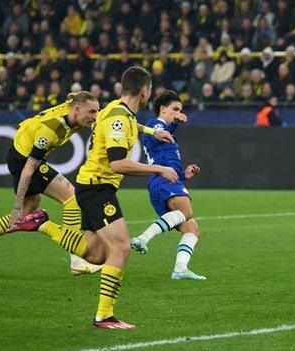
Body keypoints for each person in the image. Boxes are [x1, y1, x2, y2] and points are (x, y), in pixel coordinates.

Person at [66, 66, 177, 329]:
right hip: (98, 188)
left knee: (96, 254)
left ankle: (41, 224)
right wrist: (160, 168)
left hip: (91, 185)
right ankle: (104, 315)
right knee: (121, 248)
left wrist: (152, 132)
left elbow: (129, 123)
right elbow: (117, 164)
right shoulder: (118, 118)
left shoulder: (117, 109)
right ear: (144, 92)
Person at [0, 91, 102, 275]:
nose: (95, 117)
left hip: (21, 149)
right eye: (92, 112)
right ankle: (77, 260)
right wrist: (16, 205)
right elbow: (28, 169)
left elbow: (82, 105)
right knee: (71, 197)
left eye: (97, 111)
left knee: (26, 214)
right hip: (24, 160)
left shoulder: (75, 110)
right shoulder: (50, 130)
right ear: (77, 110)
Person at [130, 89, 206, 281]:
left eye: (180, 109)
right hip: (162, 180)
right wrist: (174, 124)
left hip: (169, 180)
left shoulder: (167, 131)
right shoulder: (155, 124)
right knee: (187, 212)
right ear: (163, 109)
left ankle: (180, 268)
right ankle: (142, 238)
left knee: (192, 228)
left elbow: (164, 144)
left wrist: (184, 174)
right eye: (175, 108)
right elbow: (159, 133)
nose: (178, 112)